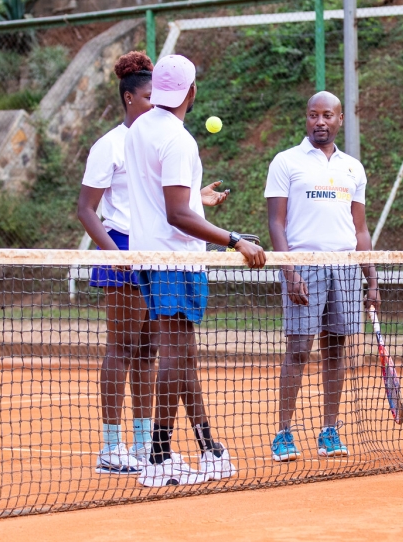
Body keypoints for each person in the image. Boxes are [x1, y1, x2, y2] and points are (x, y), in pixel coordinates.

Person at [76, 51, 231, 475]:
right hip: (128, 246)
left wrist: (197, 199)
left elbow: (161, 196)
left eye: (155, 94)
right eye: (146, 96)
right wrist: (116, 253)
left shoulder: (149, 133)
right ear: (130, 98)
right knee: (125, 348)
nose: (151, 102)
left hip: (155, 243)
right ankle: (115, 446)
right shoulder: (114, 143)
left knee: (150, 351)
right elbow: (87, 209)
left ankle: (146, 444)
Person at [125, 53, 267, 487]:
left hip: (149, 254)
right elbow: (175, 214)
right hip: (175, 255)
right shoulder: (178, 140)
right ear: (191, 93)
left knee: (181, 352)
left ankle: (209, 448)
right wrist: (234, 238)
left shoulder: (139, 129)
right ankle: (159, 455)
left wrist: (195, 198)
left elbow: (168, 198)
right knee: (175, 353)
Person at [265, 91, 380, 462]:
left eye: (327, 115)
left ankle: (329, 430)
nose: (320, 122)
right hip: (303, 265)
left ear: (339, 119)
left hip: (346, 267)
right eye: (313, 115)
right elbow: (276, 222)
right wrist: (290, 269)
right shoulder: (286, 162)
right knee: (298, 348)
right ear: (306, 118)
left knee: (336, 349)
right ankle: (283, 433)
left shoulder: (353, 168)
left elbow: (360, 229)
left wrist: (372, 279)